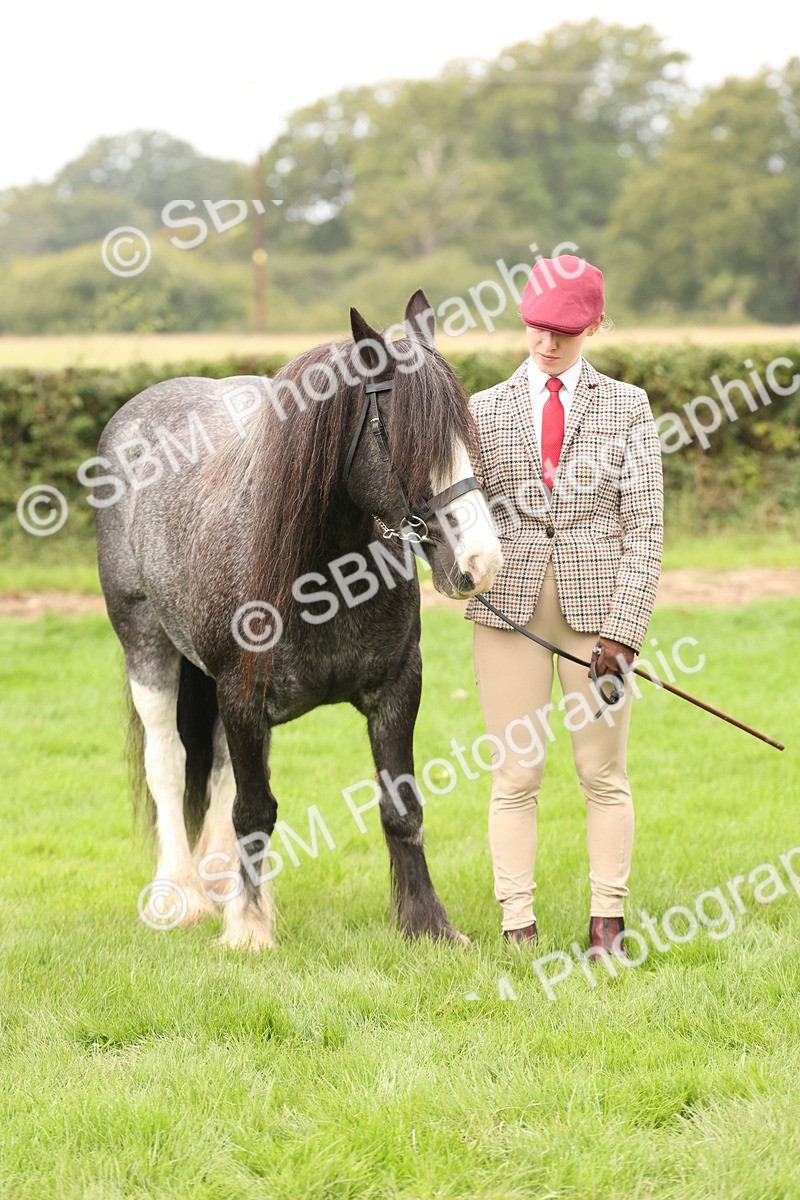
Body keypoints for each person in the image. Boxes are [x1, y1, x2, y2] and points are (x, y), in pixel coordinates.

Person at [464, 253, 663, 958]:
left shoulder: (628, 408)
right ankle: (517, 923)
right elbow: (463, 526)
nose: (546, 344)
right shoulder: (481, 411)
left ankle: (606, 922)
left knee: (601, 772)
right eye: (536, 328)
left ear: (595, 326)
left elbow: (644, 530)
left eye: (564, 332)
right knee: (515, 773)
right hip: (507, 616)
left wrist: (624, 633)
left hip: (598, 620)